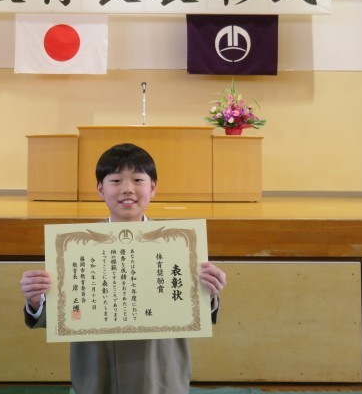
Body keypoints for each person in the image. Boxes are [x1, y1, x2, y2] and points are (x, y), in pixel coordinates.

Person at [20, 143, 227, 394]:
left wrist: (209, 293)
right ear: (100, 188)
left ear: (153, 187)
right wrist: (36, 300)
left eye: (138, 179)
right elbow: (65, 312)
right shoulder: (75, 247)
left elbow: (195, 310)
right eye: (116, 180)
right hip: (98, 371)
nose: (127, 189)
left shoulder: (178, 244)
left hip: (160, 371)